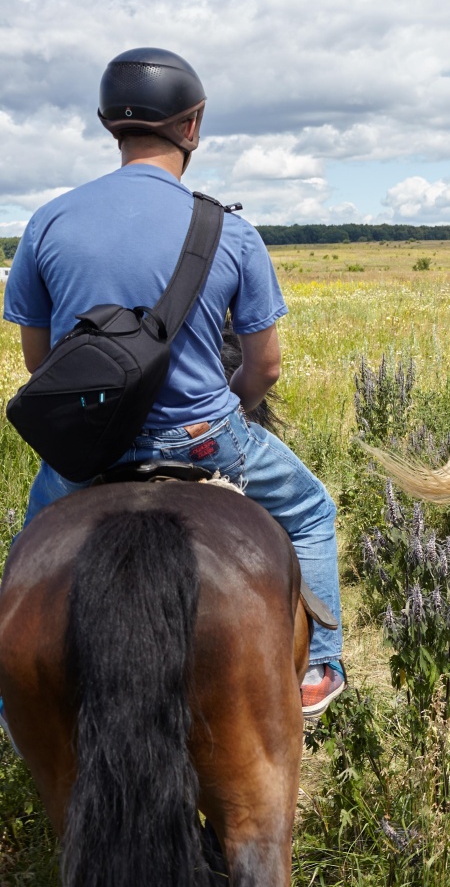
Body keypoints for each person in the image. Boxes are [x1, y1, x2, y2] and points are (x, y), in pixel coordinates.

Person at [2, 48, 346, 720]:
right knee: (311, 511)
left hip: (90, 453)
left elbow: (38, 365)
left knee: (27, 549)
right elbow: (265, 366)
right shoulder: (231, 230)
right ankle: (321, 666)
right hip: (202, 441)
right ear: (192, 126)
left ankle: (12, 694)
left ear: (112, 126)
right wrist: (229, 414)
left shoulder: (48, 221)